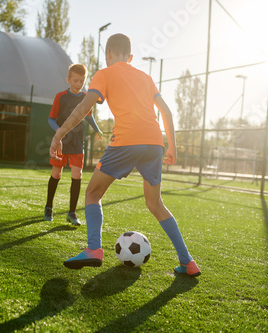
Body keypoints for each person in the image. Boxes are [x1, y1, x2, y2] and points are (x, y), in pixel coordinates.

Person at [49, 34, 201, 277]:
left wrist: (59, 135)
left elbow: (83, 108)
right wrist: (172, 146)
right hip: (154, 142)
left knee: (93, 192)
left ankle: (93, 249)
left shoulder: (104, 73)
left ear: (108, 54)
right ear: (130, 57)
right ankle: (188, 262)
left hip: (127, 141)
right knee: (155, 203)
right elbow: (167, 112)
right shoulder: (146, 77)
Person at [44, 64, 102, 226]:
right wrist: (59, 134)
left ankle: (72, 213)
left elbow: (88, 116)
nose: (78, 84)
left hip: (77, 143)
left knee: (77, 175)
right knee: (56, 174)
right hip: (61, 143)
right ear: (68, 79)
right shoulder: (60, 96)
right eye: (75, 80)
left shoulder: (86, 97)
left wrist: (97, 130)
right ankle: (48, 207)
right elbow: (51, 119)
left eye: (82, 81)